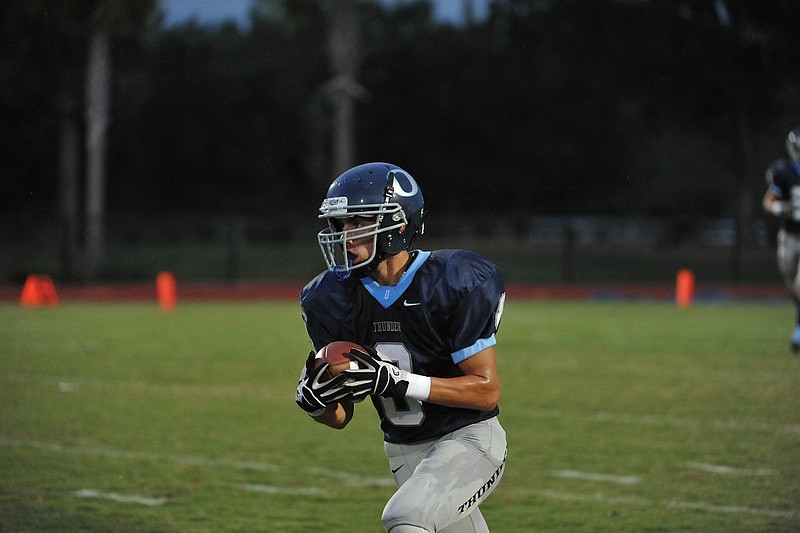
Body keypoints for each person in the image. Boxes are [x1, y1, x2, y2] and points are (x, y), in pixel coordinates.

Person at [295, 162, 508, 533]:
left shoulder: (454, 280)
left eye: (358, 222)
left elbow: (486, 392)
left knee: (406, 518)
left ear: (398, 223)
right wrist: (319, 404)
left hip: (469, 439)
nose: (345, 236)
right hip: (405, 452)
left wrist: (397, 381)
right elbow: (342, 416)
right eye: (340, 225)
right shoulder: (327, 297)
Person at [762, 126, 800, 353]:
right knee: (790, 284)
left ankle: (798, 332)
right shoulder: (783, 171)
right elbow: (768, 202)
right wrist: (779, 208)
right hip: (788, 236)